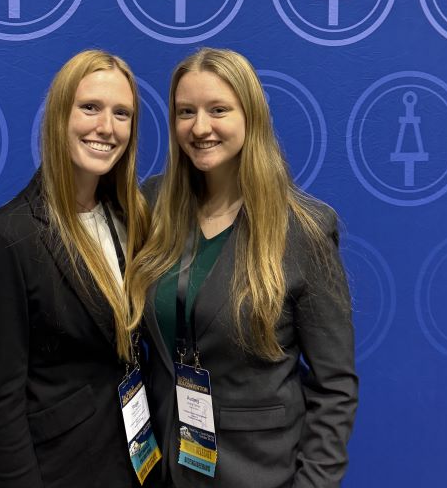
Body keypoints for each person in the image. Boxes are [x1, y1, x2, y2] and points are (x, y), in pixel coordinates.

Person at [127, 48, 358, 488]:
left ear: (250, 116)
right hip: (163, 466)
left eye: (218, 110)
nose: (200, 127)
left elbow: (335, 388)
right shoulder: (153, 204)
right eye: (185, 112)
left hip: (259, 471)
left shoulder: (304, 230)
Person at [0, 49, 150, 487]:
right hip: (58, 472)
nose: (106, 127)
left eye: (122, 114)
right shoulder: (5, 241)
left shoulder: (133, 219)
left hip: (135, 465)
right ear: (58, 116)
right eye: (90, 108)